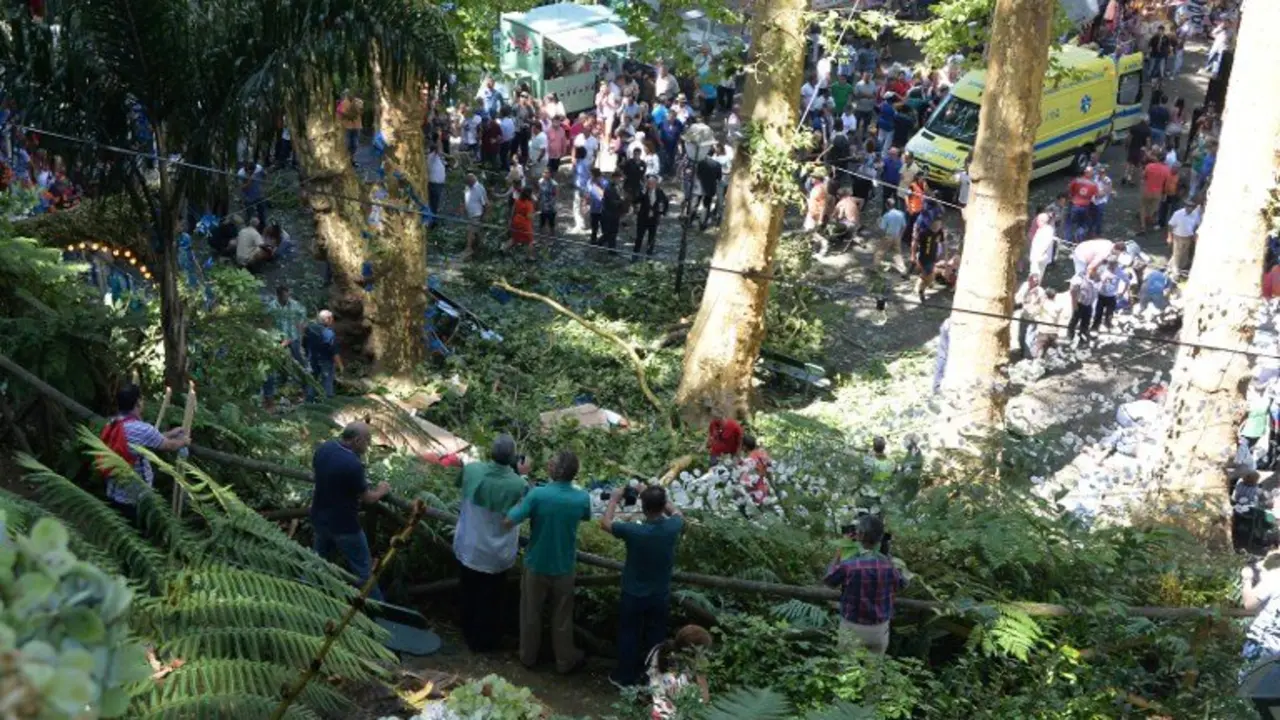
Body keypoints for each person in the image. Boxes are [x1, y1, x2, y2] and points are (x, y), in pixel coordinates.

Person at [505, 450, 590, 674]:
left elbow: (511, 518)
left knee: (530, 612)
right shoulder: (582, 498)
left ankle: (528, 656)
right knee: (562, 616)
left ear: (553, 470)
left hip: (536, 562)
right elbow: (587, 516)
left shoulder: (537, 495)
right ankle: (564, 660)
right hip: (564, 565)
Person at [600, 484, 684, 688]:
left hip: (633, 592)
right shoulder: (673, 527)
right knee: (656, 637)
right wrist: (654, 494)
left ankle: (625, 676)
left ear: (643, 507)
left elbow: (605, 523)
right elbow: (677, 513)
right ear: (662, 505)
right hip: (660, 593)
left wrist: (614, 499)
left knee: (629, 634)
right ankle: (652, 677)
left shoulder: (634, 531)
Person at [454, 435, 530, 652]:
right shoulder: (518, 484)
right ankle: (484, 642)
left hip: (468, 544)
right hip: (497, 553)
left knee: (468, 592)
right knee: (492, 600)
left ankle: (466, 633)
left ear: (491, 452)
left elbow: (460, 486)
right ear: (513, 457)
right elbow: (522, 511)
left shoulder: (471, 469)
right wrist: (522, 475)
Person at [310, 422, 390, 600]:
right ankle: (380, 610)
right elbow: (368, 498)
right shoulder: (353, 464)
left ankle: (305, 594)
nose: (368, 446)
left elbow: (316, 474)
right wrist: (382, 490)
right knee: (364, 571)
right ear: (357, 440)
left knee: (318, 563)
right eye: (367, 442)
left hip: (320, 518)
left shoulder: (325, 448)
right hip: (345, 526)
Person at [823, 514, 907, 654]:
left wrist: (839, 553)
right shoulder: (889, 566)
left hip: (852, 627)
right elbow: (903, 584)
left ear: (860, 535)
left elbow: (829, 580)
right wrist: (888, 556)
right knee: (873, 672)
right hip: (879, 629)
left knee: (848, 671)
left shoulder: (849, 566)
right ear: (880, 538)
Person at [104, 385, 190, 521]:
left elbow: (148, 440)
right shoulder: (141, 429)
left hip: (114, 492)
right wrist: (183, 441)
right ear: (138, 402)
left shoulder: (113, 422)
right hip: (134, 498)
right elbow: (168, 445)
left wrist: (171, 433)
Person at [647, 625, 713, 719]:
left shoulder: (663, 652)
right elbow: (704, 703)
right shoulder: (676, 677)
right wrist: (701, 676)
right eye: (702, 653)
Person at [263, 284, 307, 409]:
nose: (286, 298)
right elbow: (266, 321)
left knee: (299, 362)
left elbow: (303, 318)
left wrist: (301, 334)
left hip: (293, 338)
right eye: (283, 296)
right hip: (278, 339)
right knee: (273, 364)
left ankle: (306, 388)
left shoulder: (295, 305)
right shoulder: (271, 306)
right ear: (278, 295)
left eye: (287, 295)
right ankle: (272, 394)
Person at [303, 310, 343, 400]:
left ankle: (309, 402)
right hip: (326, 361)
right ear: (327, 319)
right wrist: (340, 366)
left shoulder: (310, 329)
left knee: (311, 381)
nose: (332, 320)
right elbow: (335, 352)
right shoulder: (329, 333)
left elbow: (304, 343)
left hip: (311, 359)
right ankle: (327, 403)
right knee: (327, 381)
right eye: (331, 318)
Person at [911, 216, 944, 303]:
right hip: (924, 258)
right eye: (936, 224)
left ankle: (924, 284)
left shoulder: (940, 232)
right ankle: (921, 290)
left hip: (933, 257)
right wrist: (913, 255)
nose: (937, 227)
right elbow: (915, 243)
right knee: (929, 275)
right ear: (931, 224)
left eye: (939, 224)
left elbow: (943, 242)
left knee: (928, 274)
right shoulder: (924, 233)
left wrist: (944, 256)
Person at [634, 174, 669, 257]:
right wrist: (641, 193)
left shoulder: (659, 192)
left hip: (653, 218)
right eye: (649, 183)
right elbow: (635, 200)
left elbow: (665, 202)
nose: (650, 185)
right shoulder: (643, 191)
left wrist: (663, 212)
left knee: (652, 237)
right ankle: (635, 254)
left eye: (652, 183)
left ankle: (649, 254)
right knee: (639, 237)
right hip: (643, 218)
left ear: (655, 184)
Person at [1166, 199, 1201, 279]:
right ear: (1185, 206)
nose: (1190, 208)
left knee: (1184, 254)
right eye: (1188, 206)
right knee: (1177, 254)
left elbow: (1197, 224)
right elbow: (1170, 225)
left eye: (1192, 206)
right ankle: (1175, 272)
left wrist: (1194, 234)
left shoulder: (1195, 214)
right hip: (1178, 236)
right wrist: (1169, 237)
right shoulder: (1178, 214)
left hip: (1188, 237)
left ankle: (1178, 268)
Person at [1014, 273, 1046, 358]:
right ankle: (1022, 350)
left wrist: (1036, 311)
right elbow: (1018, 297)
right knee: (1021, 336)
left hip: (1033, 318)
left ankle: (1027, 356)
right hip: (1024, 315)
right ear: (1029, 280)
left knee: (1029, 337)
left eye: (1036, 281)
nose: (1035, 282)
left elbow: (1042, 304)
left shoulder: (1040, 291)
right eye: (1033, 280)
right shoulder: (1025, 287)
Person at [1093, 259, 1127, 332]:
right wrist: (1101, 280)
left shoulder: (1119, 272)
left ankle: (1107, 324)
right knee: (1098, 312)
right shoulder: (1103, 269)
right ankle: (1095, 326)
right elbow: (1095, 279)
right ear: (1108, 264)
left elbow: (1127, 282)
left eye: (1113, 265)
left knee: (1110, 313)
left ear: (1116, 265)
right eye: (1110, 265)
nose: (1111, 267)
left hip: (1112, 296)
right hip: (1101, 295)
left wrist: (1122, 292)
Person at [1140, 155, 1172, 229]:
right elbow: (1166, 183)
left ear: (1157, 158)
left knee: (1143, 207)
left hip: (1147, 190)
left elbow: (1143, 176)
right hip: (1158, 193)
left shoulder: (1149, 166)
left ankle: (1143, 225)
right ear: (1165, 160)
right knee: (1153, 208)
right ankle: (1149, 218)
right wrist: (1165, 194)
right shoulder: (1166, 170)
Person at [1066, 271, 1097, 347]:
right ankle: (1070, 335)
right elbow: (1073, 292)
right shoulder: (1080, 280)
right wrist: (1074, 305)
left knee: (1086, 322)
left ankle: (1082, 337)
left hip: (1089, 304)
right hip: (1080, 304)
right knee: (1075, 319)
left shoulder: (1095, 280)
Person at [461, 173, 488, 257]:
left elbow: (485, 203)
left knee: (470, 231)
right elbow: (466, 199)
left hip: (476, 214)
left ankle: (468, 248)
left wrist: (484, 215)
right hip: (470, 213)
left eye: (468, 183)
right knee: (476, 232)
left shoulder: (480, 189)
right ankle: (480, 247)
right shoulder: (467, 187)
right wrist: (463, 208)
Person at [506, 187, 535, 258]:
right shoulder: (529, 204)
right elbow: (529, 216)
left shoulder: (517, 201)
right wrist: (534, 215)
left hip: (516, 221)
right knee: (530, 240)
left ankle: (503, 249)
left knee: (514, 238)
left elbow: (513, 211)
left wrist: (510, 221)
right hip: (524, 223)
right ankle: (530, 257)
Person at [238, 160, 267, 228]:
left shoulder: (259, 168)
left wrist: (263, 186)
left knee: (262, 213)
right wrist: (249, 181)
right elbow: (242, 188)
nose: (251, 173)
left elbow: (265, 175)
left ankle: (262, 228)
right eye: (249, 172)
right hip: (249, 198)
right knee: (249, 215)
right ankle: (248, 229)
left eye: (252, 172)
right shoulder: (241, 174)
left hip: (260, 195)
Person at [1028, 213, 1056, 279]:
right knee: (1036, 274)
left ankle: (1034, 287)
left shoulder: (1048, 230)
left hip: (1039, 257)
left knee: (1035, 275)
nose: (1036, 222)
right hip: (1037, 257)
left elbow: (1045, 244)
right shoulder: (1042, 229)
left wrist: (1037, 257)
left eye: (1038, 220)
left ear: (1042, 221)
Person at [337, 90, 364, 159]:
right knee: (347, 143)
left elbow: (360, 111)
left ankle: (352, 158)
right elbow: (340, 114)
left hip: (356, 126)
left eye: (350, 93)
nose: (349, 95)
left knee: (355, 144)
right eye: (347, 94)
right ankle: (348, 158)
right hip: (347, 126)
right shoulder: (342, 103)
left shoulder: (358, 101)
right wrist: (349, 114)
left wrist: (353, 112)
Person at [426, 141, 447, 227]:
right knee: (433, 203)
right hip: (434, 185)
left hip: (439, 185)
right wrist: (439, 142)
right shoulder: (431, 157)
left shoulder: (438, 158)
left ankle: (433, 220)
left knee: (435, 203)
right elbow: (437, 148)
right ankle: (432, 221)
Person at [536, 167, 559, 239]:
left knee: (551, 222)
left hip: (551, 206)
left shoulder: (554, 183)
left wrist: (552, 203)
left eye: (547, 173)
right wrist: (537, 202)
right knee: (542, 221)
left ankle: (552, 237)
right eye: (544, 172)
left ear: (550, 174)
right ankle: (541, 237)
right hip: (542, 205)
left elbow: (556, 195)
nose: (545, 174)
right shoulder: (540, 181)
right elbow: (539, 193)